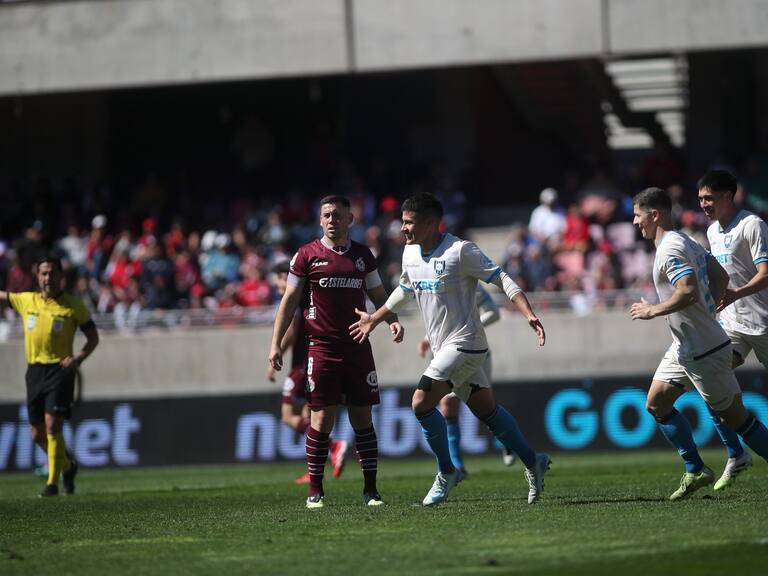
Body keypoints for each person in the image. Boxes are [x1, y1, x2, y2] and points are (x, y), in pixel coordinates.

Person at [350, 192, 550, 506]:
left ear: (432, 223)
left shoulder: (460, 251)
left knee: (421, 402)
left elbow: (501, 278)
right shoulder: (410, 253)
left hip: (467, 344)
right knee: (487, 411)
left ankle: (447, 471)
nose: (402, 228)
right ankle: (532, 461)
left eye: (409, 222)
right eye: (402, 221)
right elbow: (404, 289)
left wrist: (529, 314)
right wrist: (375, 319)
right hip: (443, 347)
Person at [630, 187, 768, 500]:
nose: (635, 222)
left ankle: (734, 457)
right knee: (656, 403)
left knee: (738, 419)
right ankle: (695, 469)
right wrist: (709, 310)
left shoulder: (670, 249)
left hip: (704, 350)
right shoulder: (685, 240)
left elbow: (688, 290)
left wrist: (653, 310)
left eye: (638, 215)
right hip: (685, 346)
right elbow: (719, 276)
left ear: (655, 215)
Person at [268, 195, 403, 509]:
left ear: (350, 219)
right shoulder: (306, 255)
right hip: (321, 349)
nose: (332, 220)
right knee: (320, 420)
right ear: (320, 220)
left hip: (358, 346)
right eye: (327, 215)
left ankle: (371, 490)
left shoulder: (362, 255)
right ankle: (315, 490)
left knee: (363, 420)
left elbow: (379, 294)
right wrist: (275, 343)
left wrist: (392, 320)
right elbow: (289, 301)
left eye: (338, 215)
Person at [0, 255, 99, 496]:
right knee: (37, 434)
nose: (48, 278)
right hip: (34, 371)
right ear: (37, 277)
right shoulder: (27, 300)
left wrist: (78, 359)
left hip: (60, 369)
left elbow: (93, 338)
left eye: (52, 273)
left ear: (61, 276)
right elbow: (3, 296)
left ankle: (52, 484)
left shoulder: (73, 306)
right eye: (44, 273)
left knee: (53, 425)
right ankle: (68, 466)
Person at [698, 169, 768, 489]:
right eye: (700, 199)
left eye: (709, 198)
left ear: (729, 195)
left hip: (764, 323)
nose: (703, 204)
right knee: (709, 377)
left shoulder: (752, 225)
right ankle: (736, 453)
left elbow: (765, 273)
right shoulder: (712, 231)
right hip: (733, 325)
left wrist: (737, 293)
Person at [416, 285, 516, 473]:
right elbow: (439, 318)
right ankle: (457, 464)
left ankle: (507, 441)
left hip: (473, 352)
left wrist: (469, 327)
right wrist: (426, 339)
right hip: (444, 353)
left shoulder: (470, 283)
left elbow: (493, 313)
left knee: (484, 406)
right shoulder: (432, 282)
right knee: (448, 404)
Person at [267, 261, 348, 485]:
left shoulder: (294, 298)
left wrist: (276, 350)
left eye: (278, 282)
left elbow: (292, 330)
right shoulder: (308, 295)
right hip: (312, 360)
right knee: (308, 418)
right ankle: (314, 470)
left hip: (302, 365)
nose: (278, 287)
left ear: (285, 276)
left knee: (287, 415)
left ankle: (333, 445)